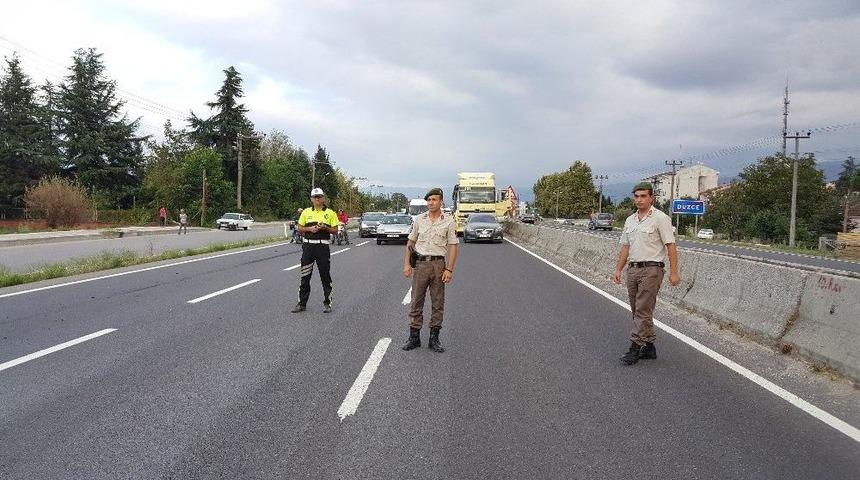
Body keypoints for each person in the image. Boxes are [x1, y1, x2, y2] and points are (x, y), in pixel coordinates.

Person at [613, 182, 681, 365]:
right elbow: (625, 247)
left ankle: (635, 348)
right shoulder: (630, 220)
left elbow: (671, 246)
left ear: (652, 198)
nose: (639, 199)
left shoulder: (661, 218)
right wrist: (619, 268)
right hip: (633, 269)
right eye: (636, 196)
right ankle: (649, 347)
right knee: (637, 310)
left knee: (642, 309)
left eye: (643, 196)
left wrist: (674, 273)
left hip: (652, 269)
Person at [402, 188, 459, 353]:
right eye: (429, 200)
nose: (431, 203)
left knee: (438, 303)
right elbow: (410, 243)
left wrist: (449, 269)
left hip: (438, 265)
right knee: (416, 301)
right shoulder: (419, 219)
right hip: (421, 264)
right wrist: (407, 265)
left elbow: (453, 246)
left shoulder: (449, 221)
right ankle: (414, 337)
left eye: (434, 199)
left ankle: (434, 338)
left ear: (441, 201)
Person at [292, 188, 341, 313]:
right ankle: (301, 304)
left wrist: (325, 228)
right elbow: (300, 228)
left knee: (325, 276)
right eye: (315, 197)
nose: (317, 199)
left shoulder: (330, 213)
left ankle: (328, 303)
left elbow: (335, 230)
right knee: (305, 276)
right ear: (311, 199)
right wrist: (310, 229)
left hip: (322, 247)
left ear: (323, 198)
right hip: (308, 247)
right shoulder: (306, 212)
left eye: (319, 196)